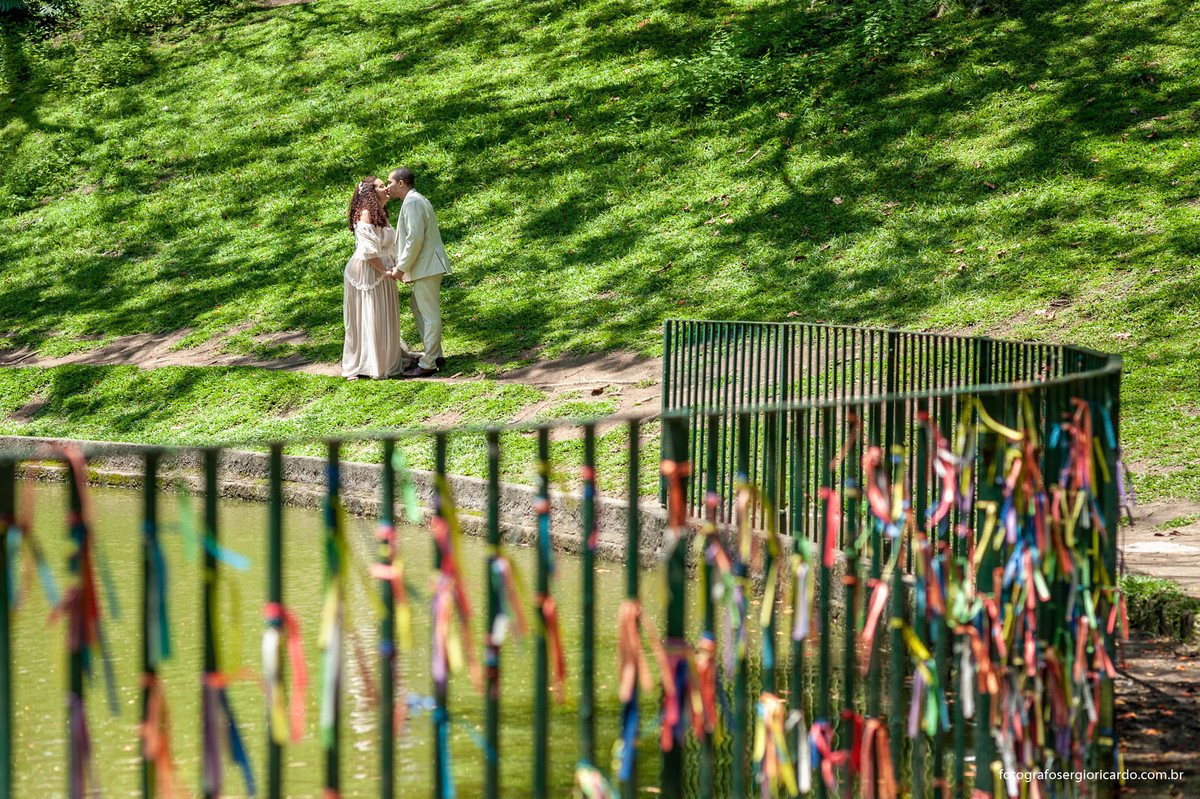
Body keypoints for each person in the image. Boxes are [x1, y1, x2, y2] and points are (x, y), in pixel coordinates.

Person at [341, 177, 415, 380]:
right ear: (370, 193)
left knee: (384, 314)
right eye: (381, 186)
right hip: (367, 271)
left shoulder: (381, 213)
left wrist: (396, 268)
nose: (386, 188)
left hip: (385, 270)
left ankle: (386, 358)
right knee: (371, 313)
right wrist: (384, 271)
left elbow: (388, 246)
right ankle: (369, 364)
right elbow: (368, 252)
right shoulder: (365, 215)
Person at [385, 167, 450, 378]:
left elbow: (414, 239)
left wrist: (401, 268)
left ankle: (429, 362)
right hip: (426, 265)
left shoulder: (412, 202)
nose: (387, 187)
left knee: (429, 314)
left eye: (390, 183)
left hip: (427, 266)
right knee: (418, 307)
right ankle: (435, 354)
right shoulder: (414, 200)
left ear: (401, 183)